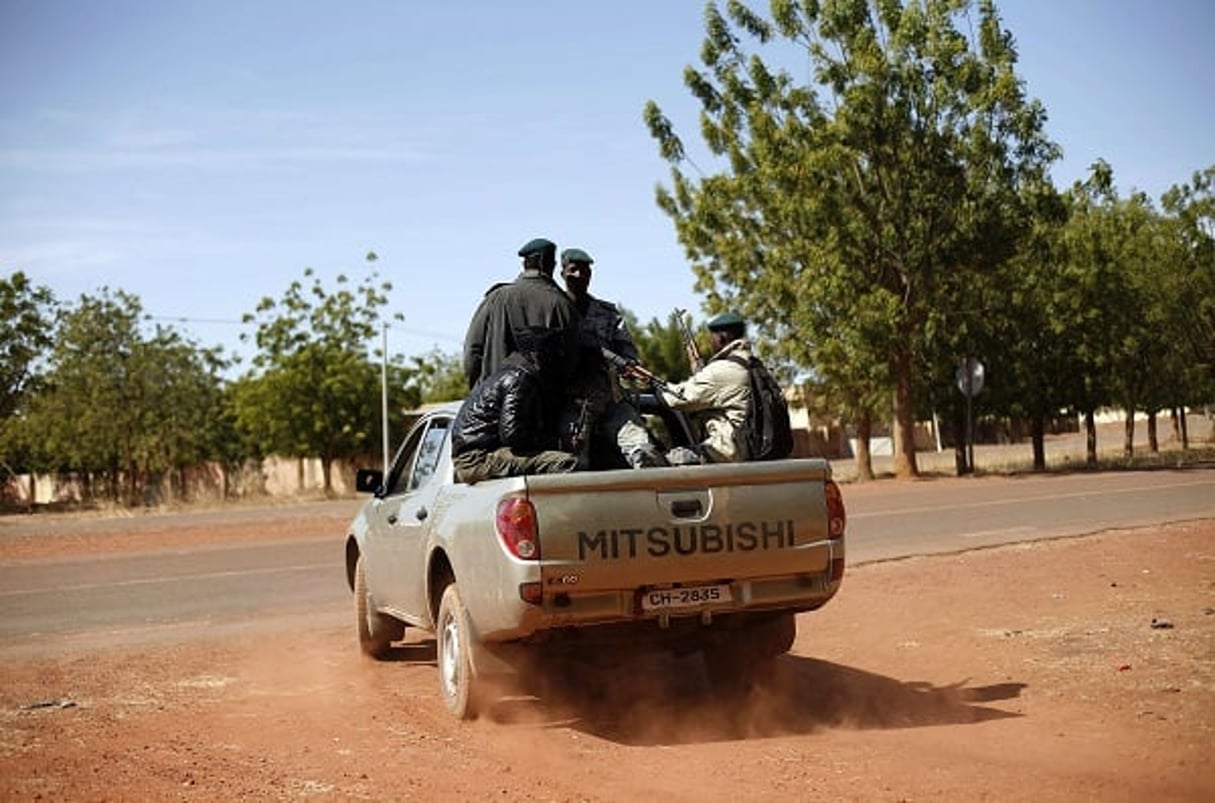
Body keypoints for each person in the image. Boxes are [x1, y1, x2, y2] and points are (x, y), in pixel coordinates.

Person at [557, 247, 667, 469]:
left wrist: (628, 366)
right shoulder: (554, 310)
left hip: (611, 400)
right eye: (574, 270)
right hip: (572, 403)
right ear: (563, 273)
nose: (580, 276)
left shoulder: (607, 313)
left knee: (642, 449)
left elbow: (627, 353)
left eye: (586, 271)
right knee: (572, 465)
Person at [451, 327, 579, 484]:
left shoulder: (515, 374)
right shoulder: (519, 379)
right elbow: (513, 435)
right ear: (538, 355)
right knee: (567, 462)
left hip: (477, 456)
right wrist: (557, 442)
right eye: (553, 352)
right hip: (477, 460)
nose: (558, 357)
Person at [463, 237, 580, 391]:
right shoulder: (563, 305)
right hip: (544, 410)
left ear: (525, 264)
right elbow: (573, 364)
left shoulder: (496, 298)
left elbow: (472, 352)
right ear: (548, 264)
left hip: (493, 404)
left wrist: (479, 393)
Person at [658, 311, 753, 463]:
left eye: (712, 337)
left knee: (664, 461)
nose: (710, 342)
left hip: (728, 452)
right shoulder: (756, 366)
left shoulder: (721, 370)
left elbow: (680, 399)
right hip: (756, 449)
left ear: (722, 337)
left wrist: (655, 386)